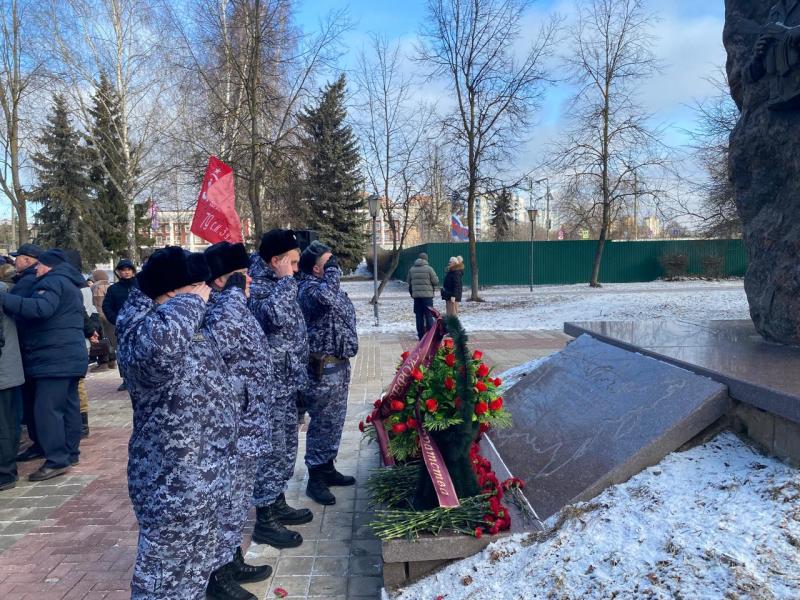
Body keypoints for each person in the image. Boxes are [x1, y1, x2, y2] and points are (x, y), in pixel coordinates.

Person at [116, 246, 236, 600]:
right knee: (163, 584)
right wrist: (187, 303)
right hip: (172, 486)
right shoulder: (143, 330)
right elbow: (160, 353)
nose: (206, 296)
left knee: (192, 581)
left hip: (204, 478)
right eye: (196, 288)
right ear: (168, 292)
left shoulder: (177, 320)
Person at [202, 241, 275, 600]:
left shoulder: (236, 306)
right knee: (225, 502)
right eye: (239, 277)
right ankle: (216, 577)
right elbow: (218, 345)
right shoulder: (217, 310)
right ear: (220, 281)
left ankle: (231, 557)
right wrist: (231, 296)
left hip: (248, 422)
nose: (247, 283)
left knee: (237, 500)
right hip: (230, 427)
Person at [248, 229, 312, 549]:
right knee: (269, 450)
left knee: (286, 448)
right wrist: (286, 282)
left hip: (287, 383)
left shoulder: (279, 283)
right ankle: (264, 519)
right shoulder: (256, 286)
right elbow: (272, 317)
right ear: (276, 261)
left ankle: (277, 502)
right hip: (268, 387)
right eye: (293, 262)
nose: (297, 268)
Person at [0, 249, 86, 481]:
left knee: (47, 410)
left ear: (49, 266)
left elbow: (40, 309)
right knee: (68, 406)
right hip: (69, 357)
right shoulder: (69, 283)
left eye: (39, 266)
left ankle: (57, 460)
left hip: (54, 359)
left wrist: (5, 299)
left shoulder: (52, 281)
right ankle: (69, 452)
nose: (36, 269)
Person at [297, 241, 358, 505]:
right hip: (321, 370)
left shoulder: (330, 289)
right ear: (316, 269)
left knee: (334, 421)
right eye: (328, 263)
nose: (335, 268)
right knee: (321, 422)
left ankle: (328, 466)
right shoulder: (308, 290)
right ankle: (316, 477)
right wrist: (332, 274)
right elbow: (325, 299)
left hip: (340, 365)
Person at [8, 243, 44, 462]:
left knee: (33, 401)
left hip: (27, 348)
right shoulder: (31, 279)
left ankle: (39, 443)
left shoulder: (27, 281)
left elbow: (15, 309)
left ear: (29, 260)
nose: (14, 261)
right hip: (32, 349)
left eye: (18, 258)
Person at [0, 268, 25, 491]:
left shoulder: (4, 293)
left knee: (5, 425)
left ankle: (6, 473)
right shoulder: (8, 292)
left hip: (4, 372)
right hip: (10, 369)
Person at [102, 258, 138, 391]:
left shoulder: (141, 285)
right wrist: (116, 320)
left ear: (133, 271)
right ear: (118, 272)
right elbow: (106, 307)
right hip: (123, 327)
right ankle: (126, 379)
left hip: (141, 326)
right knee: (123, 353)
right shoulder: (113, 289)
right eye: (123, 270)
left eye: (128, 269)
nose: (126, 272)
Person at [406, 251, 439, 339]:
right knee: (429, 315)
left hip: (417, 297)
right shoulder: (429, 269)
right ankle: (430, 335)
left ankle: (420, 335)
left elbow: (408, 282)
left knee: (419, 316)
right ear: (426, 260)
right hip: (427, 296)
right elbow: (435, 282)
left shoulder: (412, 269)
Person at [91, 268, 116, 370]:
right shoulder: (110, 285)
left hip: (101, 316)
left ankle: (103, 363)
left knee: (102, 338)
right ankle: (112, 361)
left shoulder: (97, 286)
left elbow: (98, 303)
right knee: (111, 339)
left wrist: (100, 316)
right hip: (111, 316)